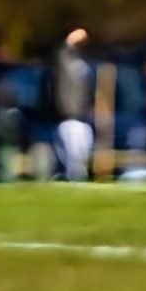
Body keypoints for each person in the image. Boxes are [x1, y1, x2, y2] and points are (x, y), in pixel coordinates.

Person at [43, 27, 93, 181]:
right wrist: (69, 41)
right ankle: (72, 179)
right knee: (72, 158)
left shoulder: (81, 61)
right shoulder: (62, 58)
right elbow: (60, 54)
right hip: (67, 117)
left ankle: (77, 179)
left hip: (82, 117)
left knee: (82, 156)